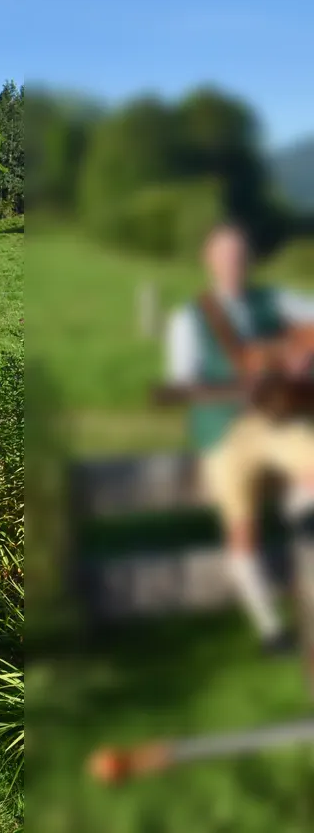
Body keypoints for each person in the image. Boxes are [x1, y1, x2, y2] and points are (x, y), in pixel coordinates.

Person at [163, 221, 314, 655]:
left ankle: (299, 518)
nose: (233, 264)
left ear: (249, 260)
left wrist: (298, 358)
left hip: (271, 421)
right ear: (210, 262)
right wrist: (235, 386)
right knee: (240, 528)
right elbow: (181, 385)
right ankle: (270, 628)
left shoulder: (274, 300)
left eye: (240, 256)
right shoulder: (189, 318)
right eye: (225, 256)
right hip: (220, 430)